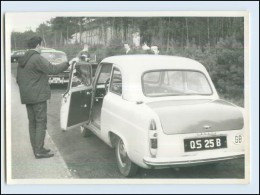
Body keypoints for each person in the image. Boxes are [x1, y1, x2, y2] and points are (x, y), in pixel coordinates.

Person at [16, 36, 70, 159]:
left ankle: (36, 148)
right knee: (41, 123)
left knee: (32, 123)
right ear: (38, 45)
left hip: (27, 97)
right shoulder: (37, 58)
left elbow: (19, 79)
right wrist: (68, 63)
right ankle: (39, 150)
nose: (42, 47)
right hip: (38, 97)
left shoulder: (23, 59)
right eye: (42, 45)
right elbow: (53, 69)